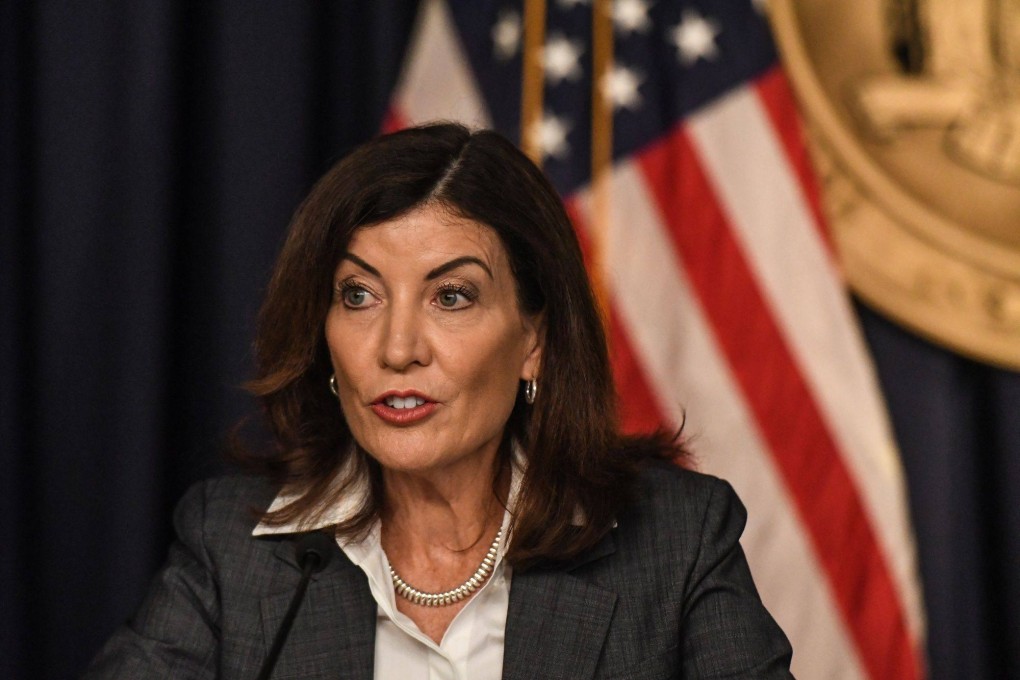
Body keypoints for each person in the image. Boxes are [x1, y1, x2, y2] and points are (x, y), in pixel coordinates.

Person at [85, 123, 793, 679]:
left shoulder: (674, 542)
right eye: (358, 296)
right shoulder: (234, 551)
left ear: (533, 341)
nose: (397, 349)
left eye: (451, 297)